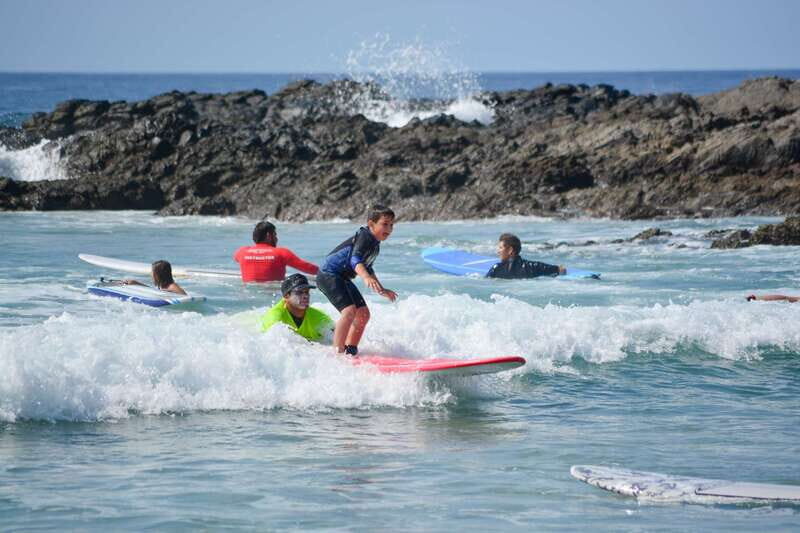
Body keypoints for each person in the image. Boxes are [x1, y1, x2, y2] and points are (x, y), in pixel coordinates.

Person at [316, 205, 398, 356]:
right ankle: (338, 352)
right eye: (385, 224)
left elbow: (368, 267)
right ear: (371, 224)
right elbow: (355, 260)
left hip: (342, 277)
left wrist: (381, 289)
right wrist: (365, 277)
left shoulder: (375, 244)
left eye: (391, 225)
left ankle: (350, 350)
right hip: (328, 274)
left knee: (363, 314)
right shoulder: (365, 237)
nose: (389, 228)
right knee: (349, 311)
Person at [233, 221, 319, 282]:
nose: (277, 239)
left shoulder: (241, 252)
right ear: (268, 236)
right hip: (273, 293)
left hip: (249, 294)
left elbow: (236, 258)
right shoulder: (281, 253)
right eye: (275, 235)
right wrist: (326, 271)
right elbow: (307, 267)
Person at [260, 273, 334, 341]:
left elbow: (335, 335)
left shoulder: (319, 317)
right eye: (299, 292)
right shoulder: (275, 318)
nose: (305, 296)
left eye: (307, 292)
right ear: (286, 296)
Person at [486, 233, 566, 279]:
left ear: (510, 250)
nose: (498, 251)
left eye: (500, 248)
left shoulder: (496, 269)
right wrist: (561, 269)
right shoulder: (533, 267)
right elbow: (561, 270)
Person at [123, 260, 187, 295]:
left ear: (158, 274)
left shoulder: (172, 286)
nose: (151, 274)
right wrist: (136, 283)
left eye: (152, 272)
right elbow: (154, 291)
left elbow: (185, 296)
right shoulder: (162, 286)